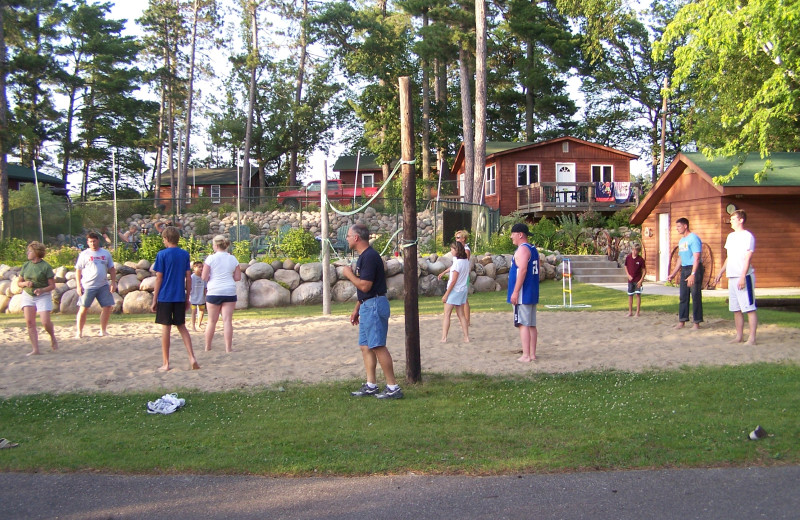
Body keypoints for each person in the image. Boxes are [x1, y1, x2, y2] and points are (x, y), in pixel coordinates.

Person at [342, 223, 403, 399]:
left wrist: (349, 274)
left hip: (375, 304)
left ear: (356, 238)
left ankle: (393, 387)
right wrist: (357, 309)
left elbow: (366, 285)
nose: (346, 238)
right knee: (366, 346)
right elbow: (365, 290)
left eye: (348, 235)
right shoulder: (363, 257)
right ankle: (371, 385)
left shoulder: (369, 257)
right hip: (367, 305)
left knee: (377, 345)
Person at [151, 226, 200, 371]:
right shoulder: (184, 254)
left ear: (165, 239)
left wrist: (155, 299)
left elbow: (159, 278)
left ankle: (166, 363)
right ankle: (192, 357)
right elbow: (188, 278)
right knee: (182, 327)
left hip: (165, 296)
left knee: (166, 328)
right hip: (179, 296)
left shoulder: (162, 254)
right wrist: (187, 297)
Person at [714, 209, 758, 344]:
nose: (731, 222)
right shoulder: (730, 237)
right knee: (736, 309)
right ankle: (739, 336)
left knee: (749, 308)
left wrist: (743, 276)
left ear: (741, 220)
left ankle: (752, 338)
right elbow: (729, 257)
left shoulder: (747, 236)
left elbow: (748, 257)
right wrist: (721, 272)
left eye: (733, 219)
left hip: (743, 276)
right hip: (732, 276)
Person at [202, 235, 241, 352]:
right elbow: (238, 277)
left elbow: (204, 276)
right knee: (227, 320)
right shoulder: (233, 259)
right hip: (229, 290)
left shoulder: (210, 259)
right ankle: (228, 348)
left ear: (216, 245)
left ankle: (207, 346)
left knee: (211, 321)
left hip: (214, 291)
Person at [75, 231, 117, 338]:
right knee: (83, 308)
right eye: (90, 241)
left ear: (98, 241)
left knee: (107, 307)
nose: (92, 243)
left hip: (103, 285)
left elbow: (111, 269)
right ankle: (79, 332)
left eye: (94, 241)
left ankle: (103, 330)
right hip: (88, 286)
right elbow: (78, 270)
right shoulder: (84, 254)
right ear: (87, 242)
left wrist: (113, 282)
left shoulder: (105, 253)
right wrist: (79, 286)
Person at [18, 241, 58, 355]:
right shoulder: (26, 265)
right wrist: (25, 284)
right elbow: (19, 283)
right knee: (30, 322)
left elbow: (52, 285)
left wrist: (42, 290)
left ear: (36, 253)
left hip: (42, 296)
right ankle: (35, 349)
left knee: (45, 322)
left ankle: (52, 337)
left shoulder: (45, 267)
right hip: (28, 295)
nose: (27, 253)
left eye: (30, 251)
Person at [508, 223, 540, 362]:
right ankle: (532, 354)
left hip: (523, 293)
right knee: (531, 324)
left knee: (523, 324)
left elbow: (522, 270)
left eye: (513, 234)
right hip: (531, 291)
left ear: (520, 234)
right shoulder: (533, 249)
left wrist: (515, 292)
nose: (511, 237)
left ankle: (526, 355)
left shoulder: (522, 250)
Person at [667, 217, 703, 329]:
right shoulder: (681, 241)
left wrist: (693, 274)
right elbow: (680, 258)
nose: (677, 229)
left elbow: (697, 257)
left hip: (694, 268)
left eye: (679, 226)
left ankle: (696, 322)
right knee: (683, 296)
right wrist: (673, 273)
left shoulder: (694, 238)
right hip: (684, 268)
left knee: (695, 295)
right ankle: (682, 320)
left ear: (685, 226)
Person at [438, 230, 472, 325]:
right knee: (463, 299)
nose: (456, 239)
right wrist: (444, 272)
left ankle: (467, 320)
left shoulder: (465, 250)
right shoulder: (457, 250)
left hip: (462, 276)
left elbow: (463, 264)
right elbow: (455, 265)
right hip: (458, 274)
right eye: (456, 237)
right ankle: (465, 319)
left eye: (458, 238)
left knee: (464, 299)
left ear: (463, 238)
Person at [441, 241, 470, 343]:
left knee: (447, 314)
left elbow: (453, 281)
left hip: (455, 290)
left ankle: (444, 337)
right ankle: (466, 337)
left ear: (456, 250)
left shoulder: (458, 263)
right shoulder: (465, 261)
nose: (451, 251)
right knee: (461, 314)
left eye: (452, 249)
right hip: (463, 290)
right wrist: (444, 271)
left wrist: (446, 294)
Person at [624, 243, 646, 317]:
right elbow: (625, 266)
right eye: (633, 250)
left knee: (638, 295)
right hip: (630, 280)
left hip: (638, 279)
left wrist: (641, 280)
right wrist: (628, 275)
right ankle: (630, 312)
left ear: (638, 251)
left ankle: (637, 312)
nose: (634, 252)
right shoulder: (628, 257)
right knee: (630, 295)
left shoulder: (640, 260)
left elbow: (644, 270)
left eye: (636, 250)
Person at [190, 261, 207, 331]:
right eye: (199, 267)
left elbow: (205, 288)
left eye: (202, 267)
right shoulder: (192, 277)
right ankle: (193, 326)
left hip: (201, 297)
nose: (201, 268)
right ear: (194, 268)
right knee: (193, 312)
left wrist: (206, 295)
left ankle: (199, 324)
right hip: (193, 297)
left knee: (202, 311)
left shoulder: (203, 277)